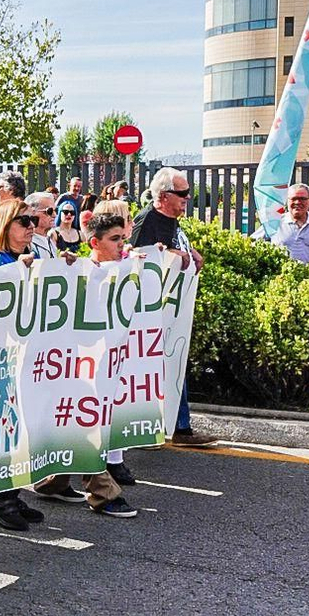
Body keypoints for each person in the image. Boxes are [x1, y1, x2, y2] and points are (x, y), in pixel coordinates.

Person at [30, 214, 138, 517]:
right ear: (94, 243)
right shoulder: (77, 272)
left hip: (105, 362)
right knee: (87, 419)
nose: (121, 245)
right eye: (114, 239)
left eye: (123, 238)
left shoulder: (124, 270)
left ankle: (54, 480)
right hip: (76, 363)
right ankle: (102, 491)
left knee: (81, 420)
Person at [131, 169, 217, 448]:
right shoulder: (147, 219)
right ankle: (151, 428)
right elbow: (135, 256)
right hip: (150, 315)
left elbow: (174, 247)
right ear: (164, 196)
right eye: (182, 193)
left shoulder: (172, 221)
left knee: (174, 363)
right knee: (152, 369)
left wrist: (190, 253)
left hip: (170, 312)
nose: (187, 198)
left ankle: (180, 427)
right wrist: (171, 254)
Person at [0, 200, 38, 268]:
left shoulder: (34, 255)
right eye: (25, 220)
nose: (32, 225)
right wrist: (17, 266)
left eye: (33, 219)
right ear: (5, 225)